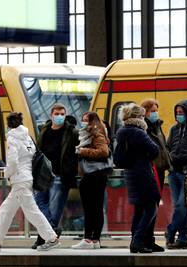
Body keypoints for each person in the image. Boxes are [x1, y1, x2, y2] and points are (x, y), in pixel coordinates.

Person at [0, 112, 60, 251]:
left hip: (19, 179)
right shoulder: (27, 137)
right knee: (5, 211)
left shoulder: (12, 138)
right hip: (27, 178)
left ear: (9, 124)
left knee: (32, 212)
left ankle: (51, 238)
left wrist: (6, 174)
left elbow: (12, 162)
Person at [113, 103, 160, 253]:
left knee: (139, 209)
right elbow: (154, 150)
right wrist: (145, 156)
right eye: (142, 115)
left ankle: (137, 241)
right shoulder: (139, 132)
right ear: (137, 117)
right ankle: (138, 240)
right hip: (143, 172)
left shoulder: (122, 131)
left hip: (130, 173)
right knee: (152, 207)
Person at [32, 103, 79, 248]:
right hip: (43, 174)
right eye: (57, 114)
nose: (60, 116)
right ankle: (52, 232)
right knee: (38, 205)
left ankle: (42, 239)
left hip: (60, 175)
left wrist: (70, 169)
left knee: (55, 209)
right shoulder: (44, 130)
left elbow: (75, 152)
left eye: (62, 114)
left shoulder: (71, 132)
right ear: (51, 115)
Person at [165, 100, 187, 249]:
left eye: (182, 113)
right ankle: (184, 238)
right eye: (177, 113)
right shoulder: (174, 129)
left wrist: (184, 157)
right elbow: (168, 146)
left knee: (181, 205)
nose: (179, 115)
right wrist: (171, 157)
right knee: (180, 207)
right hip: (173, 173)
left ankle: (171, 230)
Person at [71, 112, 109, 249]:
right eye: (83, 120)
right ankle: (95, 240)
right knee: (96, 208)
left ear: (92, 121)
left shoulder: (95, 132)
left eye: (86, 120)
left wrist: (83, 151)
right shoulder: (93, 132)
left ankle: (88, 239)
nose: (83, 123)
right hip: (96, 175)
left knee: (91, 208)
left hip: (93, 175)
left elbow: (104, 151)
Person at [140, 98, 170, 252]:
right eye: (152, 111)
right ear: (144, 111)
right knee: (149, 207)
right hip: (150, 170)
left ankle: (149, 240)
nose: (155, 113)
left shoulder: (157, 126)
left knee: (154, 206)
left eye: (156, 110)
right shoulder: (144, 128)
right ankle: (143, 240)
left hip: (159, 169)